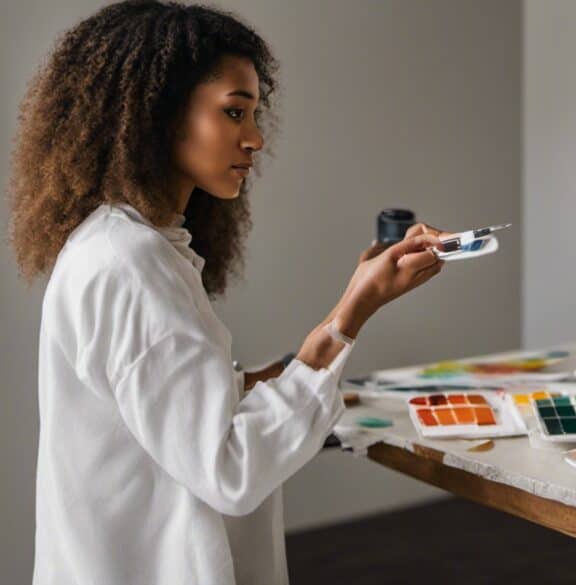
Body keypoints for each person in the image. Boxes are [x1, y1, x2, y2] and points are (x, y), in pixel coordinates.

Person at [7, 2, 446, 583]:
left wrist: (271, 378)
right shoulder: (130, 265)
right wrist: (352, 312)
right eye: (234, 113)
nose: (256, 139)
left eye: (255, 114)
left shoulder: (123, 244)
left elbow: (163, 404)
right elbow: (228, 469)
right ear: (159, 115)